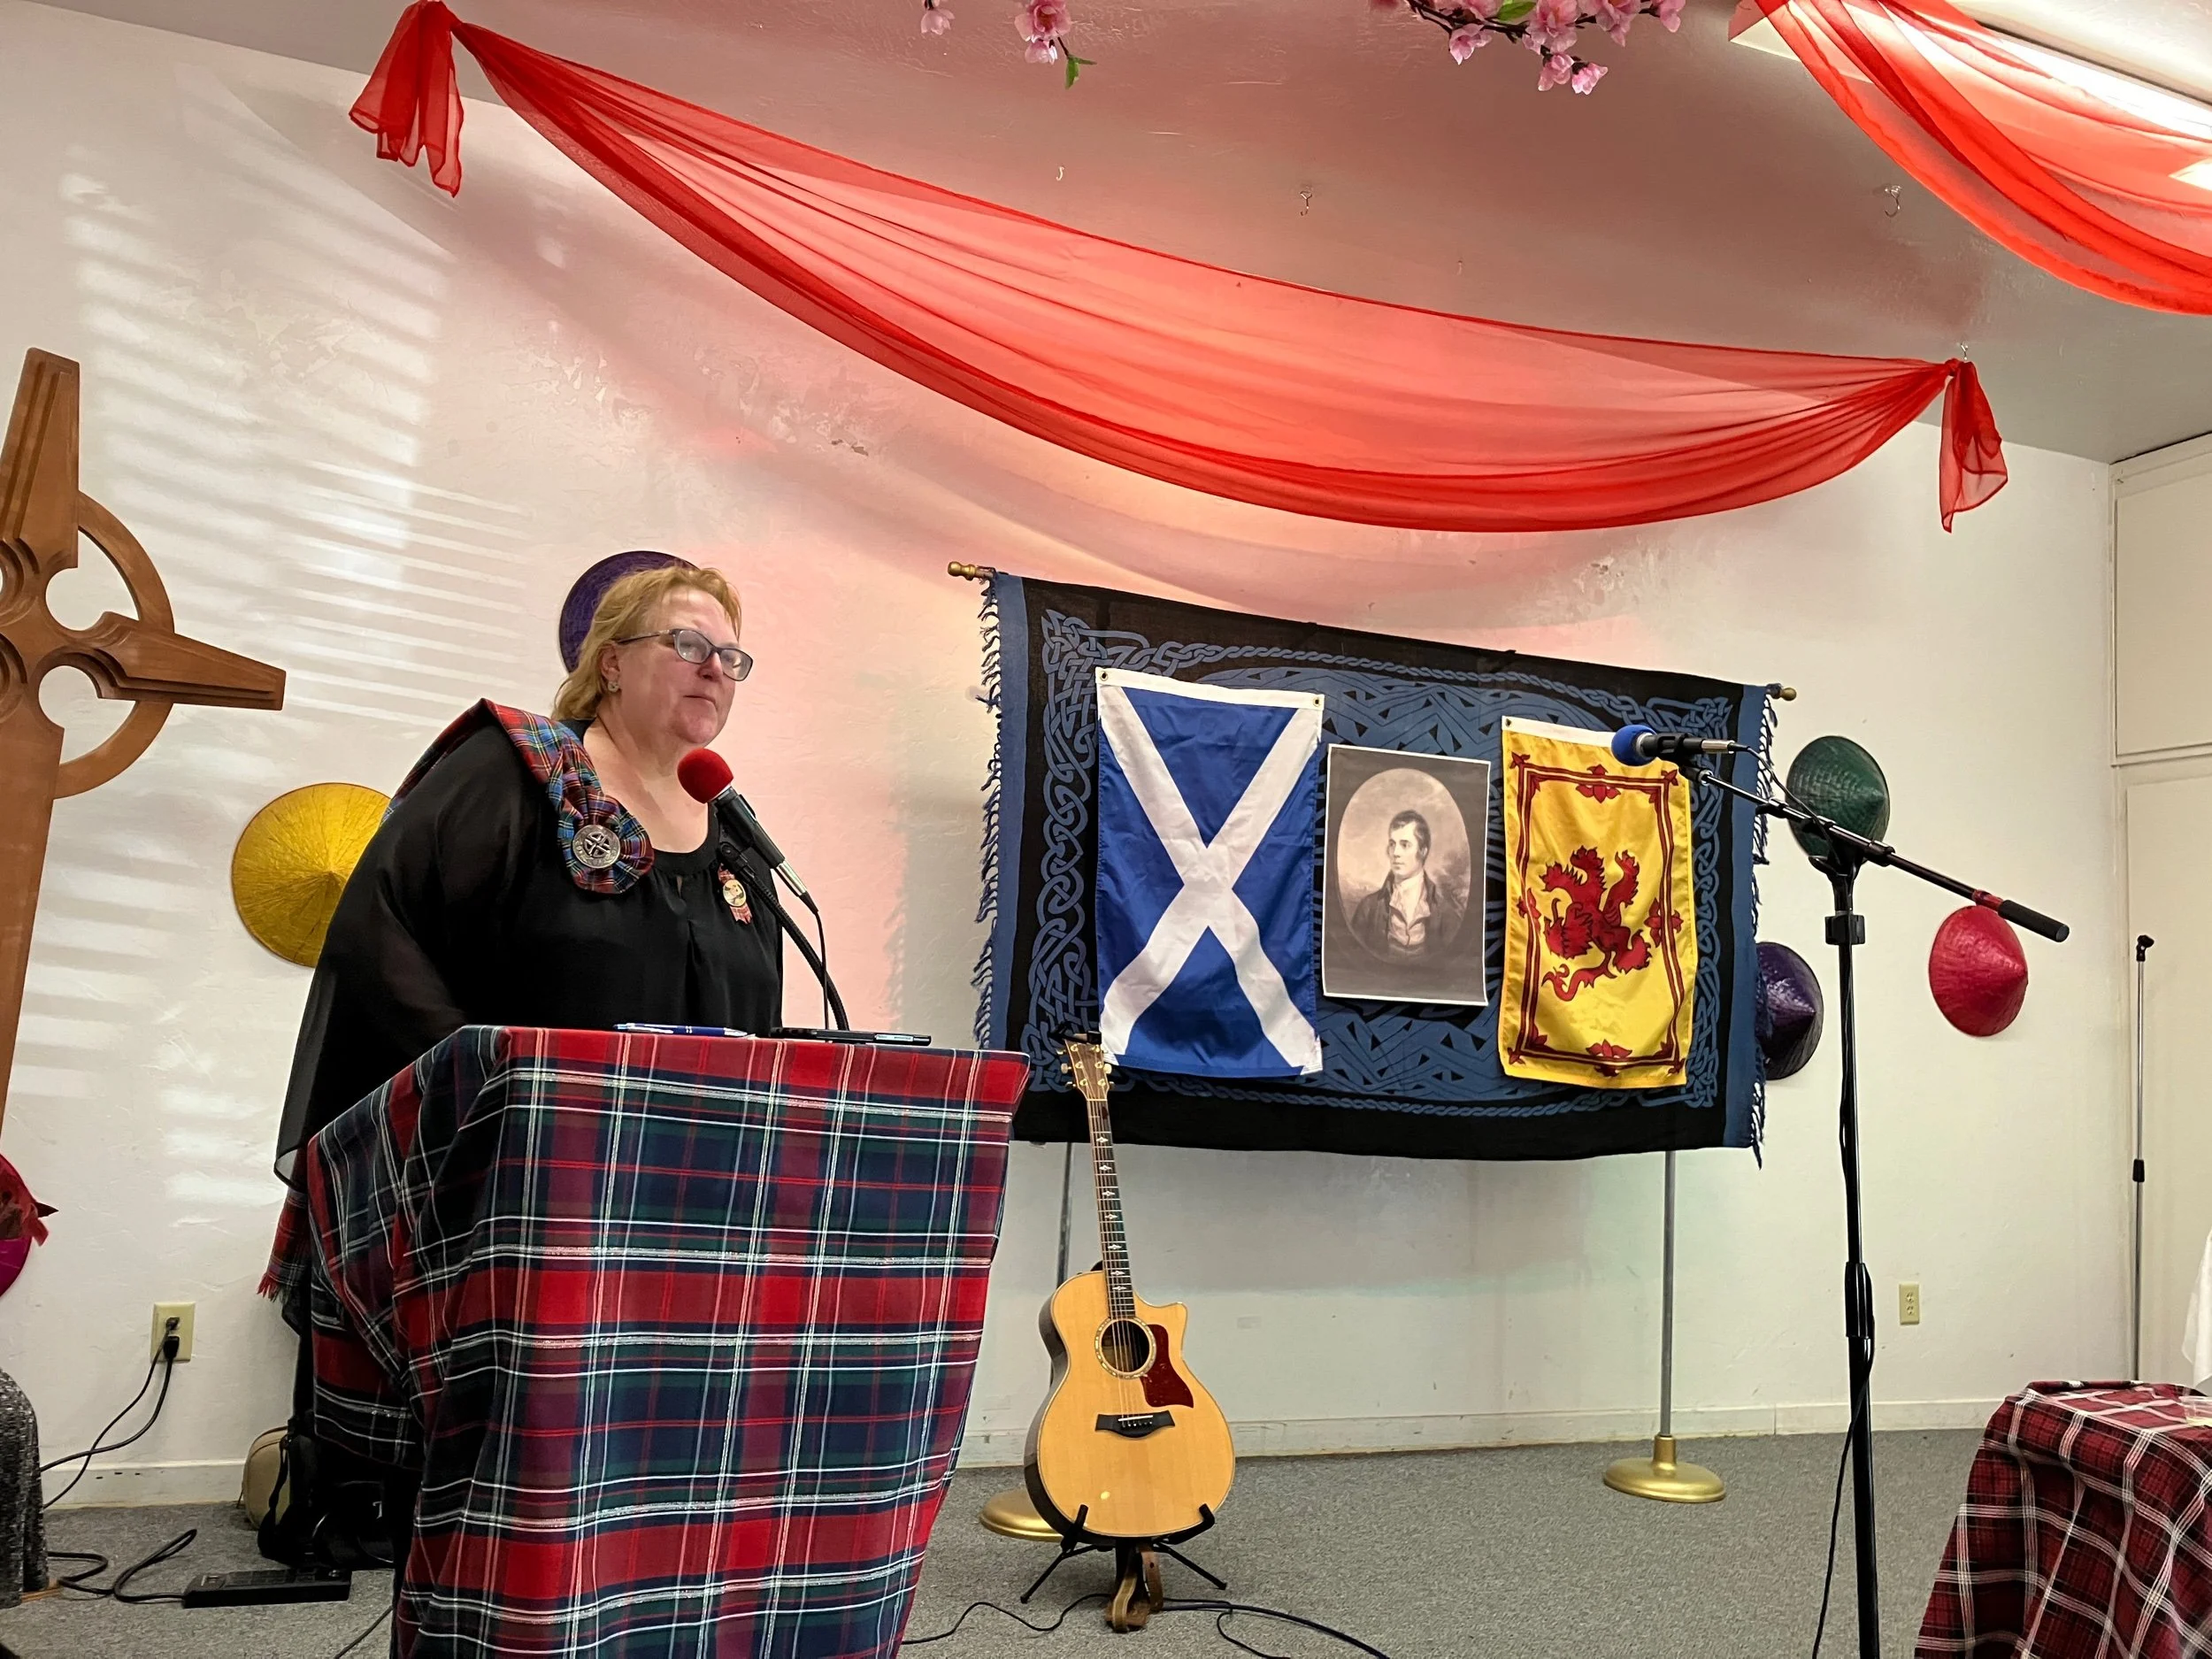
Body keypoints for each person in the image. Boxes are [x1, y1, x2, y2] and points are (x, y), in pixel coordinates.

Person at [265, 560, 783, 1569]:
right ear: (610, 662)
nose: (715, 669)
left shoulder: (731, 830)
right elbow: (381, 927)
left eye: (733, 656)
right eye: (688, 643)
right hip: (513, 1178)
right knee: (515, 1477)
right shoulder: (517, 773)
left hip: (677, 1196)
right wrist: (483, 1088)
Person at [1348, 809, 1465, 961]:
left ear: (1423, 851)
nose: (1395, 852)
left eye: (1405, 845)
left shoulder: (1446, 914)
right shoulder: (1368, 908)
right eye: (1392, 844)